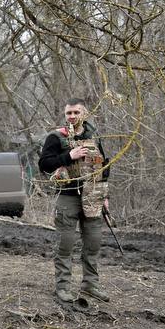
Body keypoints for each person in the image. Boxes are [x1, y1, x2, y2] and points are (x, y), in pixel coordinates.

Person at [38, 100, 111, 306]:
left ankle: (90, 284)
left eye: (76, 112)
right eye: (68, 112)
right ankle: (62, 287)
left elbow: (104, 166)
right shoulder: (56, 136)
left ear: (84, 113)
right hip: (68, 196)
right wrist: (69, 156)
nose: (71, 116)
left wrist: (104, 196)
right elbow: (44, 164)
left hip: (93, 196)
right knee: (65, 245)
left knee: (93, 243)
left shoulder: (93, 136)